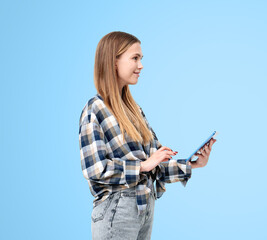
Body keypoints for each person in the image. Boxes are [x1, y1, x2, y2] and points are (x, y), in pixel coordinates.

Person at [78, 31, 216, 240]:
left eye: (141, 59)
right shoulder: (95, 108)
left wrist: (192, 164)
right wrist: (142, 166)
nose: (140, 65)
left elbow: (154, 165)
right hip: (117, 209)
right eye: (135, 58)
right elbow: (95, 169)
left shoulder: (134, 110)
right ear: (113, 61)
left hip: (143, 207)